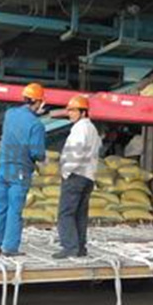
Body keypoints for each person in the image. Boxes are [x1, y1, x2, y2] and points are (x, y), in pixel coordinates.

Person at [0, 83, 47, 257]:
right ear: (38, 102)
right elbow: (37, 152)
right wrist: (43, 158)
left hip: (3, 166)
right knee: (14, 209)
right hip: (20, 170)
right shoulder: (37, 125)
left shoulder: (10, 114)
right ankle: (10, 248)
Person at [53, 95, 102, 259]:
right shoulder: (92, 129)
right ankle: (80, 247)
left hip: (76, 175)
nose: (70, 114)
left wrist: (66, 171)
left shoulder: (80, 129)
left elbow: (76, 152)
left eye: (73, 111)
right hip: (88, 176)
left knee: (66, 213)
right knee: (80, 214)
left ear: (83, 112)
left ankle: (70, 247)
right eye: (69, 111)